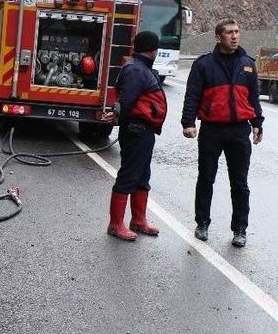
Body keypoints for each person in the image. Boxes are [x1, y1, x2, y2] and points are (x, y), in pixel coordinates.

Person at [181, 18, 264, 247]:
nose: (234, 36)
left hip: (239, 130)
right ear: (219, 37)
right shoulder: (204, 64)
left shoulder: (248, 64)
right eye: (229, 32)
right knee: (206, 178)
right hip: (212, 130)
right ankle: (202, 223)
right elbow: (192, 95)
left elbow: (253, 98)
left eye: (237, 31)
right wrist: (188, 122)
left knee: (240, 183)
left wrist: (258, 123)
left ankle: (240, 229)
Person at [107, 31, 167, 241]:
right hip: (136, 130)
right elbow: (129, 100)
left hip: (144, 130)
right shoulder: (136, 69)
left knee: (142, 176)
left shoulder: (140, 68)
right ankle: (116, 225)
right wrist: (123, 120)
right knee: (129, 175)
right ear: (153, 49)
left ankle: (138, 220)